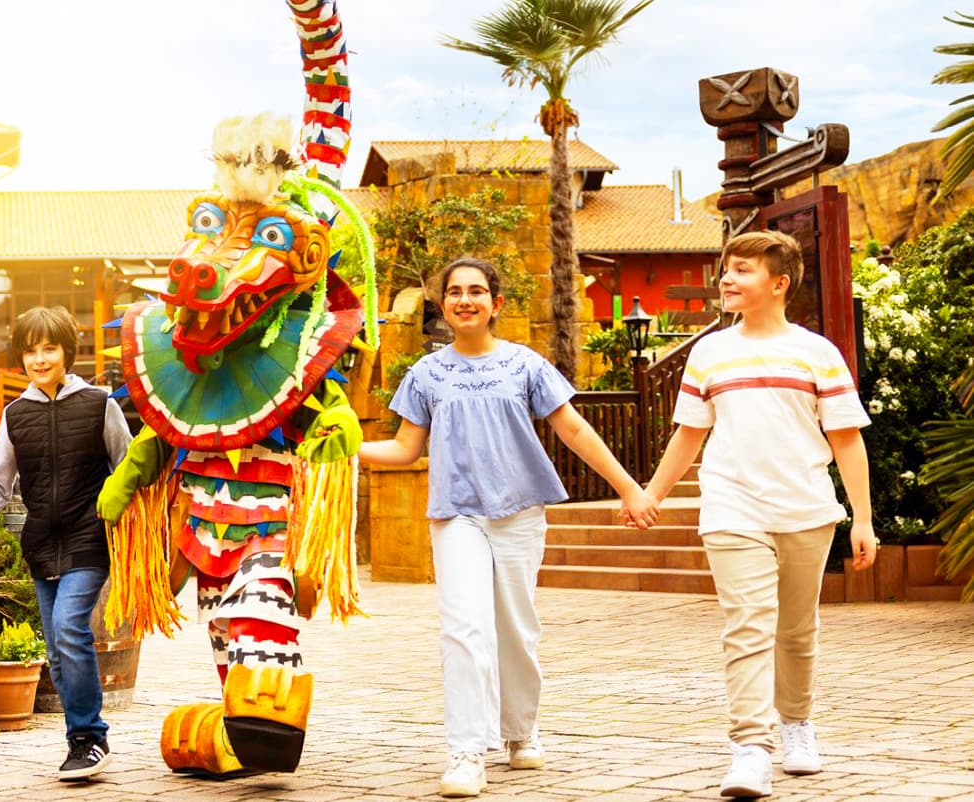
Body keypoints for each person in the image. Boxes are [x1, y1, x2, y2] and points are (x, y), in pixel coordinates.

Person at [358, 257, 658, 799]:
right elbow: (405, 448)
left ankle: (521, 731)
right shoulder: (426, 374)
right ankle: (467, 751)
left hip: (520, 511)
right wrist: (340, 448)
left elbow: (572, 427)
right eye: (455, 292)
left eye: (477, 291)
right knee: (463, 627)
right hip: (457, 515)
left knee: (516, 629)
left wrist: (628, 487)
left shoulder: (526, 366)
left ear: (496, 304)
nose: (465, 299)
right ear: (443, 305)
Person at [643, 230, 876, 799]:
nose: (727, 278)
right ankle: (751, 748)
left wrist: (863, 519)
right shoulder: (709, 353)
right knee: (747, 627)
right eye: (727, 268)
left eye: (742, 270)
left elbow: (846, 439)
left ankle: (797, 725)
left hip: (806, 508)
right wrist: (653, 494)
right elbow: (688, 435)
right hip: (731, 507)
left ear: (779, 283)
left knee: (796, 630)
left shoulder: (817, 352)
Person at [0, 306, 132, 782]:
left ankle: (90, 737)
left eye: (48, 348)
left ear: (66, 351)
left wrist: (131, 527)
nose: (39, 358)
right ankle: (80, 740)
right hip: (40, 546)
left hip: (88, 539)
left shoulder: (99, 404)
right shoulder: (16, 414)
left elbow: (128, 467)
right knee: (56, 648)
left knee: (70, 629)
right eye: (30, 350)